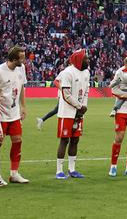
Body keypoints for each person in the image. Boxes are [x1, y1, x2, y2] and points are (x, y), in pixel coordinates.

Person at [0, 46, 28, 183]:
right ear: (13, 58)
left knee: (18, 141)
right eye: (21, 57)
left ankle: (14, 173)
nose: (24, 60)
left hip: (15, 114)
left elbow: (22, 87)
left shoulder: (21, 69)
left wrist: (23, 106)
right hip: (1, 115)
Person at [54, 50, 90, 180]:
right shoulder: (67, 73)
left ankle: (72, 169)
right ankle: (59, 171)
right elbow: (66, 94)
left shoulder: (86, 73)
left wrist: (83, 106)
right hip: (67, 113)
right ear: (79, 60)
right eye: (86, 59)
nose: (88, 60)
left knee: (75, 140)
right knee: (64, 140)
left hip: (79, 113)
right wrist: (79, 106)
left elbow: (86, 91)